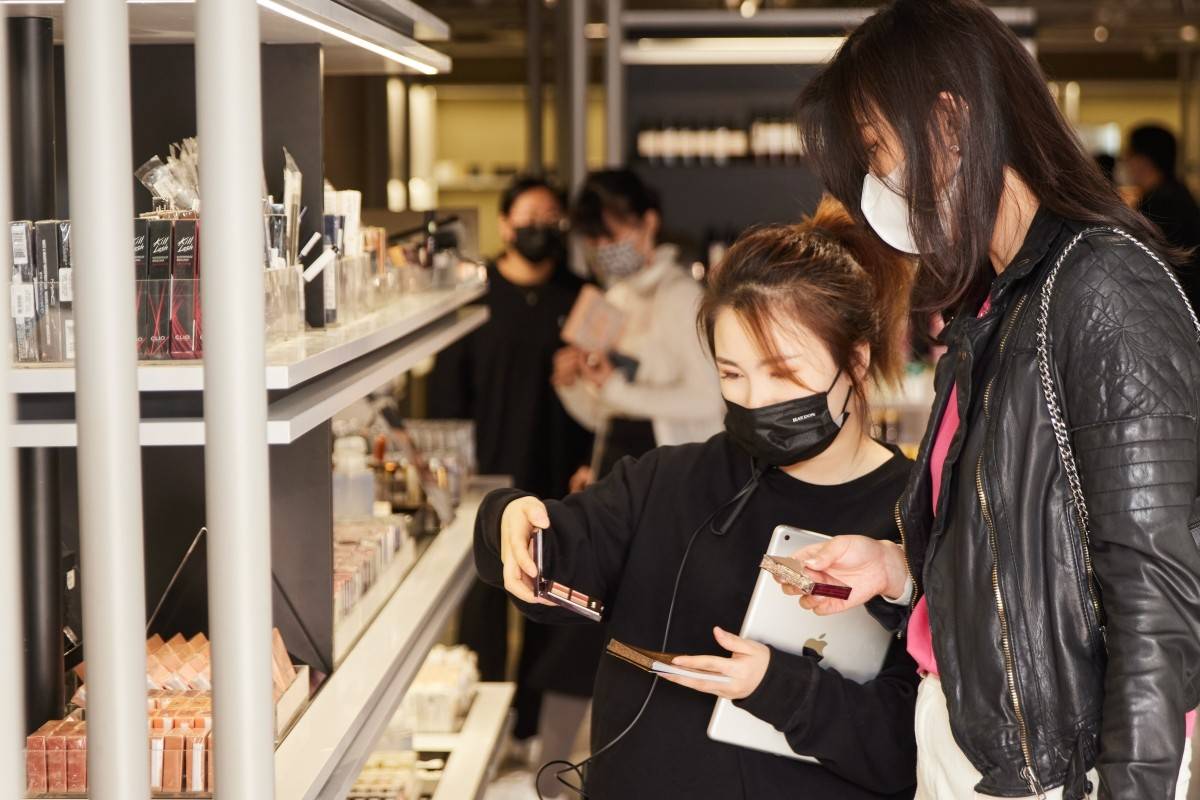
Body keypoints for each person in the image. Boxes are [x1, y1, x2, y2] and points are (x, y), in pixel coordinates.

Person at [792, 2, 1200, 798]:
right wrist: (901, 571)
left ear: (950, 123)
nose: (874, 184)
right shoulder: (994, 305)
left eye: (876, 148)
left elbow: (1159, 597)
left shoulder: (1102, 286)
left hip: (1063, 766)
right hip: (974, 738)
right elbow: (1023, 553)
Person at [475, 199, 921, 799]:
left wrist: (777, 686)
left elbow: (904, 750)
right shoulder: (668, 480)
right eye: (732, 374)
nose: (755, 400)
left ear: (856, 362)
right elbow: (548, 550)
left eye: (783, 373)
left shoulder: (914, 519)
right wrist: (506, 520)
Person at [429, 174, 592, 756]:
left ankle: (529, 735)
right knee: (483, 610)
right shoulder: (471, 296)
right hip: (485, 483)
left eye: (552, 220)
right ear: (504, 224)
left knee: (550, 602)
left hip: (561, 480)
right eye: (529, 219)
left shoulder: (583, 297)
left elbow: (608, 390)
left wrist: (592, 460)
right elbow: (444, 398)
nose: (540, 230)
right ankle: (482, 736)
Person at [553, 169, 725, 487]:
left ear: (649, 222)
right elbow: (603, 416)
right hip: (619, 473)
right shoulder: (615, 298)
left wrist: (614, 388)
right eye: (594, 240)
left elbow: (708, 399)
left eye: (612, 236)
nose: (604, 248)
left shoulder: (681, 297)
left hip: (675, 478)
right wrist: (572, 384)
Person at [1126, 124, 1200, 307]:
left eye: (1129, 155)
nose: (1126, 162)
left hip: (1175, 304)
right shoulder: (1177, 193)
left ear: (1143, 160)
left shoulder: (1160, 203)